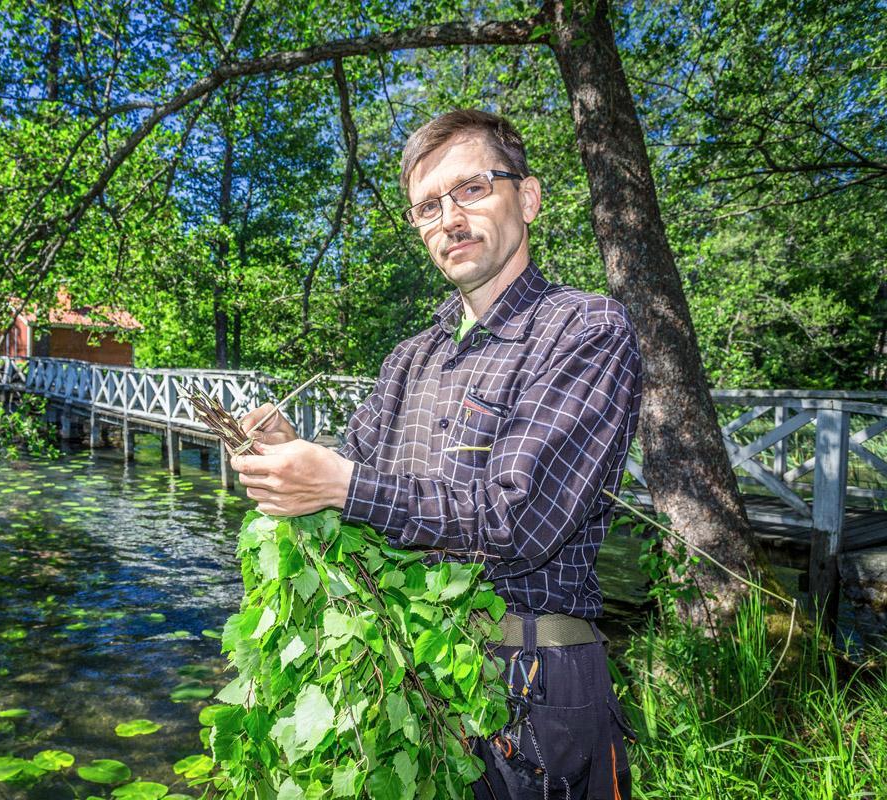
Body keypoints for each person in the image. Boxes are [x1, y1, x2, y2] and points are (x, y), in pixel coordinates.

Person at [230, 109, 642, 800]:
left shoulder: (585, 328)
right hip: (405, 670)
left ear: (529, 198)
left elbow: (522, 521)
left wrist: (340, 485)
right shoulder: (408, 359)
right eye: (427, 205)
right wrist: (295, 459)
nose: (448, 218)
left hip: (529, 683)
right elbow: (357, 478)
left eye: (472, 189)